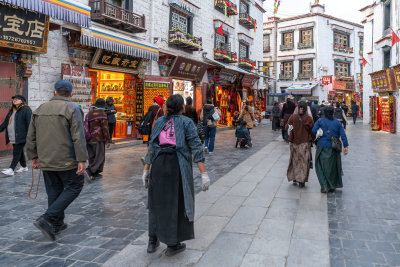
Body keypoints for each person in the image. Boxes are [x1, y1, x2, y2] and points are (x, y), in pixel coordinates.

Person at [142, 94, 210, 256]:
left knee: (156, 202)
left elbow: (152, 146)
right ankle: (173, 244)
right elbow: (196, 147)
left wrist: (146, 169)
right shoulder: (186, 122)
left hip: (158, 166)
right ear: (182, 108)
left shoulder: (159, 121)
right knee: (176, 205)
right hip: (177, 167)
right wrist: (204, 173)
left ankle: (152, 241)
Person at [26, 80, 88, 241]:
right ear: (71, 93)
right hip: (66, 159)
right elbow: (78, 136)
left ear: (54, 92)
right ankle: (48, 218)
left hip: (46, 159)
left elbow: (31, 136)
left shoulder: (40, 108)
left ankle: (57, 223)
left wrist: (34, 156)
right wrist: (81, 159)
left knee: (54, 190)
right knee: (75, 186)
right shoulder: (73, 108)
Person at [312, 106, 349, 193]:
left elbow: (313, 131)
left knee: (319, 166)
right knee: (332, 167)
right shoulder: (337, 122)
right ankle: (332, 186)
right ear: (333, 113)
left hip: (322, 146)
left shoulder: (320, 121)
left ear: (324, 112)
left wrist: (317, 139)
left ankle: (324, 186)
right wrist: (346, 146)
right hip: (334, 148)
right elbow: (343, 135)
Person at [0, 95, 32, 176]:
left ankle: (11, 169)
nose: (14, 100)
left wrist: (30, 135)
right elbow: (5, 122)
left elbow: (30, 123)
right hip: (13, 136)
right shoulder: (12, 110)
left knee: (16, 152)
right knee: (19, 151)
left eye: (17, 99)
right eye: (13, 99)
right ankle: (24, 166)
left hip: (21, 136)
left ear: (22, 101)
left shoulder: (26, 109)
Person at [285, 101, 314, 188]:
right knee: (304, 162)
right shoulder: (309, 119)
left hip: (294, 142)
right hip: (304, 143)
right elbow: (312, 131)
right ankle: (301, 180)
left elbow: (287, 127)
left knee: (294, 160)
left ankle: (294, 177)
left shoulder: (293, 117)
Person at [85, 98, 111, 181]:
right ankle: (89, 171)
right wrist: (108, 140)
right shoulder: (102, 114)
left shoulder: (89, 114)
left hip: (89, 138)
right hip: (98, 139)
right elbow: (105, 128)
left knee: (91, 156)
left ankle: (95, 172)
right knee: (99, 156)